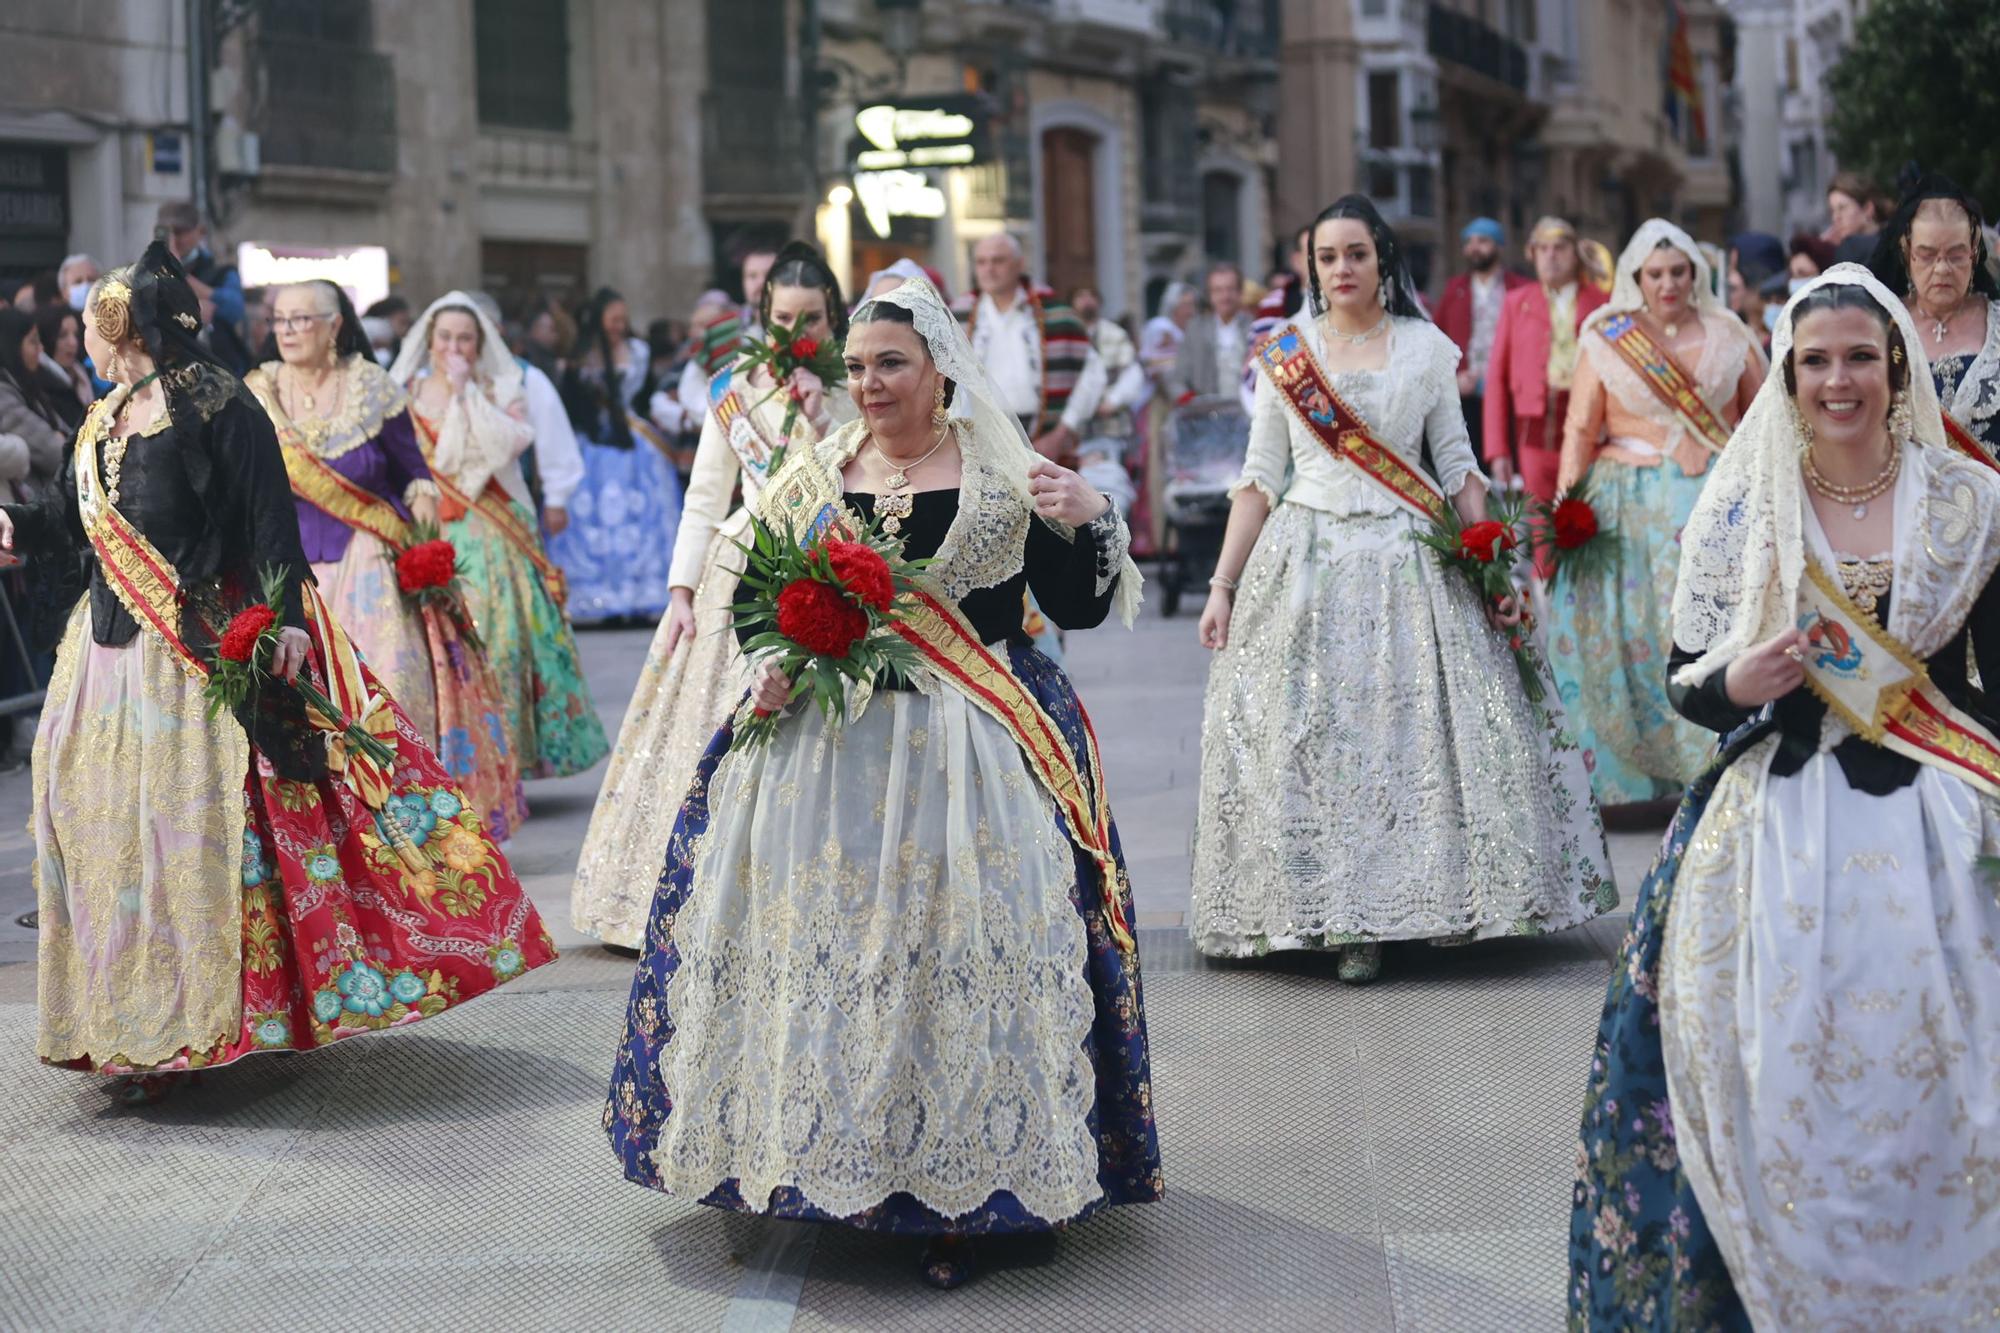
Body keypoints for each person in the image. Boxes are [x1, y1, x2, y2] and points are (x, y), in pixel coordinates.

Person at [603, 277, 1157, 1290]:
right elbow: (761, 603)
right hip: (832, 753)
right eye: (855, 367)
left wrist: (1088, 515)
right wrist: (768, 659)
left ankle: (972, 1192)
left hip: (975, 749)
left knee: (954, 956)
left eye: (889, 364)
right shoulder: (815, 475)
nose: (868, 384)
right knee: (831, 953)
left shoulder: (1001, 473)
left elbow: (1071, 598)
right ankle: (807, 1160)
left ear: (938, 368)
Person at [0, 241, 556, 1103]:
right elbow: (83, 525)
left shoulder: (217, 404)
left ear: (123, 328)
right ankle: (128, 1019)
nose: (81, 343)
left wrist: (287, 624)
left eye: (91, 328)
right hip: (106, 658)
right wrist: (18, 526)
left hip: (186, 663)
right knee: (106, 833)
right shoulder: (107, 415)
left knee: (188, 838)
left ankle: (208, 1020)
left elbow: (269, 525)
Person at [1570, 263, 2000, 1327]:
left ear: (1895, 362)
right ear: (1788, 373)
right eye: (1815, 361)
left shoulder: (1966, 498)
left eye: (1859, 356)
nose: (1837, 380)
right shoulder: (1745, 496)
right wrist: (1735, 681)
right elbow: (1687, 675)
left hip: (1939, 799)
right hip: (1779, 804)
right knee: (1760, 1060)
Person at [1190, 195, 1613, 982]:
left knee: (1412, 738)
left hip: (1410, 558)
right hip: (1306, 562)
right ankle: (1337, 915)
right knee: (1315, 741)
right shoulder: (1286, 351)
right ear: (1310, 267)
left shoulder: (1424, 348)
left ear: (1382, 258)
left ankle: (1431, 908)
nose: (1342, 268)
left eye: (1356, 252)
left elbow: (1456, 467)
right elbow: (1258, 478)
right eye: (1327, 257)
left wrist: (1490, 563)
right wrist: (1222, 586)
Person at [571, 243, 856, 950]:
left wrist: (825, 422)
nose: (799, 333)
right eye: (784, 317)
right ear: (763, 315)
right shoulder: (734, 386)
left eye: (813, 317)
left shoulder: (859, 381)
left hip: (832, 571)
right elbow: (704, 496)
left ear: (834, 314)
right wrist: (680, 589)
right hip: (743, 571)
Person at [245, 281, 526, 838]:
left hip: (370, 563)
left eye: (303, 319)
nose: (289, 330)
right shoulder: (256, 392)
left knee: (386, 690)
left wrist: (423, 541)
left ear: (335, 325)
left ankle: (404, 821)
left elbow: (413, 473)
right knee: (306, 705)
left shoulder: (372, 388)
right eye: (281, 320)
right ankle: (329, 829)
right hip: (289, 572)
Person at [1547, 221, 1766, 810]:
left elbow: (1763, 421)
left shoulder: (1730, 334)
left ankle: (1714, 760)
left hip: (1715, 509)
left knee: (1706, 634)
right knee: (1632, 637)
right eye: (1655, 273)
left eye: (1678, 271)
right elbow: (1579, 429)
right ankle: (1633, 779)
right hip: (1626, 509)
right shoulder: (1606, 337)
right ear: (1635, 279)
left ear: (1697, 273)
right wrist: (1566, 510)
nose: (1668, 283)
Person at [391, 293, 608, 779]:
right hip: (429, 528)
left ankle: (504, 758)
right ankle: (446, 756)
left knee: (499, 643)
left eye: (464, 337)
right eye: (445, 336)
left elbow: (505, 446)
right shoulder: (404, 390)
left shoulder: (504, 386)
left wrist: (466, 392)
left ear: (480, 341)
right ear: (429, 341)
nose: (454, 346)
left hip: (491, 532)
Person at [548, 288, 682, 624]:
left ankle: (642, 594)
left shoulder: (638, 351)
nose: (619, 325)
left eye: (623, 319)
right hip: (594, 445)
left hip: (633, 441)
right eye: (613, 319)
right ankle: (594, 596)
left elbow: (646, 394)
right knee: (592, 516)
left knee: (644, 517)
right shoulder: (582, 356)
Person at [1868, 173, 2000, 461]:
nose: (1942, 270)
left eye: (1955, 255)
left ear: (1973, 252)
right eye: (1927, 255)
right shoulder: (1880, 329)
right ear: (1907, 252)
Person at [1485, 217, 1611, 509]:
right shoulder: (1516, 303)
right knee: (1542, 531)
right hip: (1534, 432)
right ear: (1532, 255)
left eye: (1559, 248)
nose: (1550, 256)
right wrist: (1497, 450)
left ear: (1575, 253)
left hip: (1592, 431)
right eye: (1542, 249)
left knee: (1588, 525)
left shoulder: (1603, 303)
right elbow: (1496, 380)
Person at [953, 233, 1108, 463]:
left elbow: (1092, 375)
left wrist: (1061, 432)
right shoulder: (958, 315)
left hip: (1044, 438)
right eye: (982, 262)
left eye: (998, 261)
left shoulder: (1056, 314)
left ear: (1019, 264)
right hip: (979, 438)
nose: (989, 269)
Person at [1433, 217, 1531, 461]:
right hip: (1468, 395)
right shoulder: (1455, 290)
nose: (1475, 247)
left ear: (1499, 246)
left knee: (1513, 463)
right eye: (1469, 242)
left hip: (1511, 394)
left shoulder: (1521, 289)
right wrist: (1452, 379)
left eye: (1483, 241)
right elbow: (1435, 341)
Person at [1069, 284, 1144, 515]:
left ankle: (1115, 537)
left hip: (1108, 427)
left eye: (1092, 295)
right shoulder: (1066, 334)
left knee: (1111, 487)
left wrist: (1112, 400)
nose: (1087, 301)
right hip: (1072, 431)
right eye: (1081, 295)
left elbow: (1133, 372)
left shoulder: (1114, 334)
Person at [156, 201, 252, 374]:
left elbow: (234, 309)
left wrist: (179, 272)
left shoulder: (220, 271)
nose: (175, 240)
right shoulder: (148, 271)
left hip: (216, 366)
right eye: (168, 233)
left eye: (180, 232)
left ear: (199, 232)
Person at [0, 308, 69, 497]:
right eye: (33, 341)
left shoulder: (25, 382)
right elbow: (54, 452)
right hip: (34, 502)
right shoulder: (3, 393)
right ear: (11, 346)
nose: (41, 348)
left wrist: (62, 437)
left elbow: (68, 437)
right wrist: (59, 438)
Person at [1166, 262, 1253, 406]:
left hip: (1248, 415)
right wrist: (1190, 402)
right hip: (1206, 415)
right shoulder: (1195, 330)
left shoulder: (1254, 327)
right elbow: (1177, 380)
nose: (1225, 296)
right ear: (1210, 295)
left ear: (1239, 293)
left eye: (1230, 289)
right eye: (1218, 290)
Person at [33, 304, 96, 432]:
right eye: (63, 335)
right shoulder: (41, 387)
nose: (73, 342)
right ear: (46, 339)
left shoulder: (82, 374)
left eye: (75, 334)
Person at [1827, 169, 1891, 265]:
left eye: (1842, 208)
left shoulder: (1889, 249)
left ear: (1867, 209)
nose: (1835, 217)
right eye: (1832, 211)